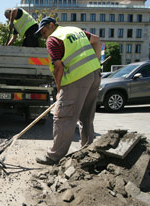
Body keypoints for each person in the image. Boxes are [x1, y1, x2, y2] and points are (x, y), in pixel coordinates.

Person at [34, 17, 102, 165]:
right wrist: (96, 64)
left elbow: (58, 67)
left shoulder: (53, 39)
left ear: (52, 25)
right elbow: (97, 40)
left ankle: (54, 156)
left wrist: (59, 90)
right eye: (41, 33)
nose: (43, 35)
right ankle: (87, 150)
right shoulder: (75, 30)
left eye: (43, 30)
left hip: (75, 80)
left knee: (63, 117)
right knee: (86, 116)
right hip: (94, 75)